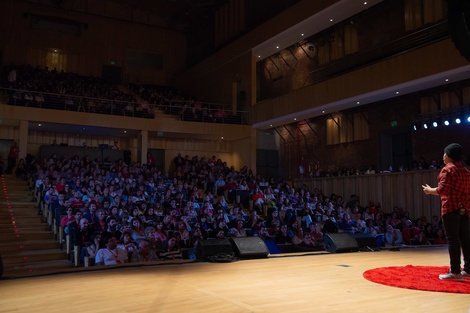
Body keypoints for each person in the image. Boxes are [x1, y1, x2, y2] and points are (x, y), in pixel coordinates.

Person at [422, 143, 470, 281]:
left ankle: (455, 272)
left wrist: (429, 190)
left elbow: (442, 190)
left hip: (451, 209)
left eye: (444, 154)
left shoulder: (447, 170)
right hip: (465, 210)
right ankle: (468, 270)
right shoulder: (466, 171)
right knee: (466, 240)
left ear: (448, 155)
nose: (443, 156)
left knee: (453, 240)